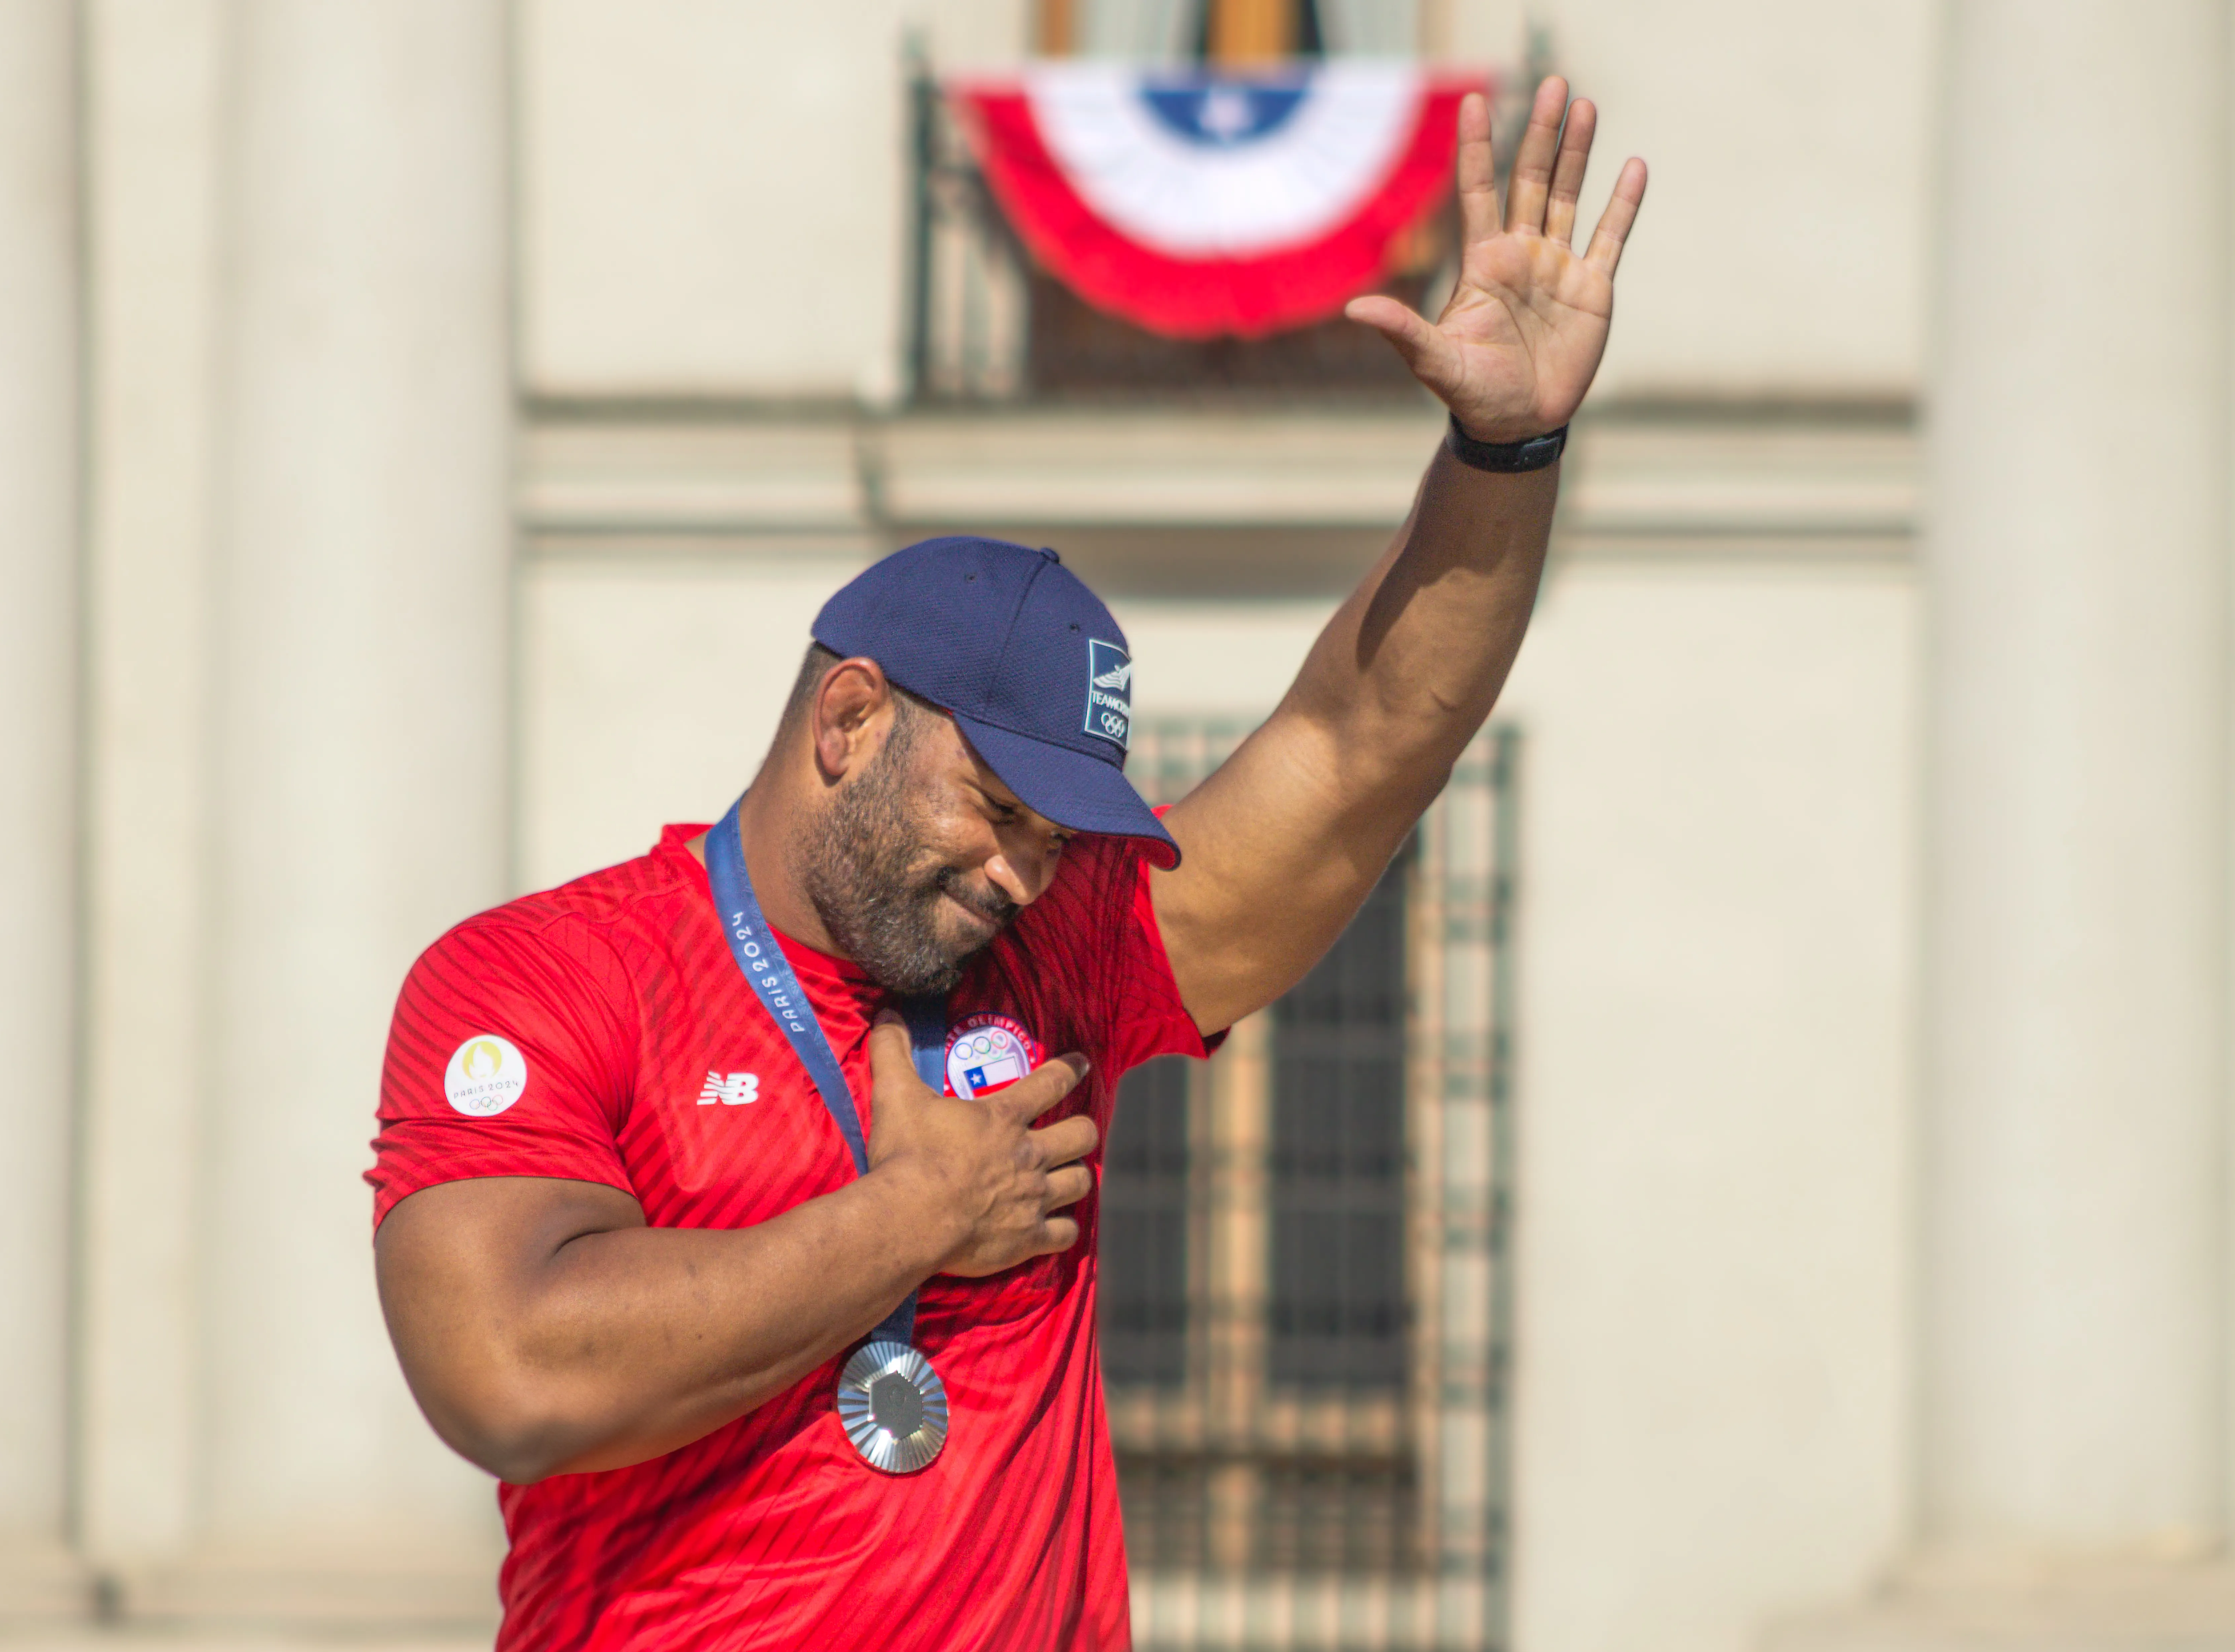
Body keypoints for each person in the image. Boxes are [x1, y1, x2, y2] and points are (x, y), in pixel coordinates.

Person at [369, 77, 1644, 1652]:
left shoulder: (1057, 959)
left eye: (1057, 833)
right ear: (848, 720)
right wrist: (913, 1219)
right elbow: (513, 1375)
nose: (1023, 876)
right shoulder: (542, 978)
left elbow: (1357, 747)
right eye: (993, 806)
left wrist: (1500, 452)